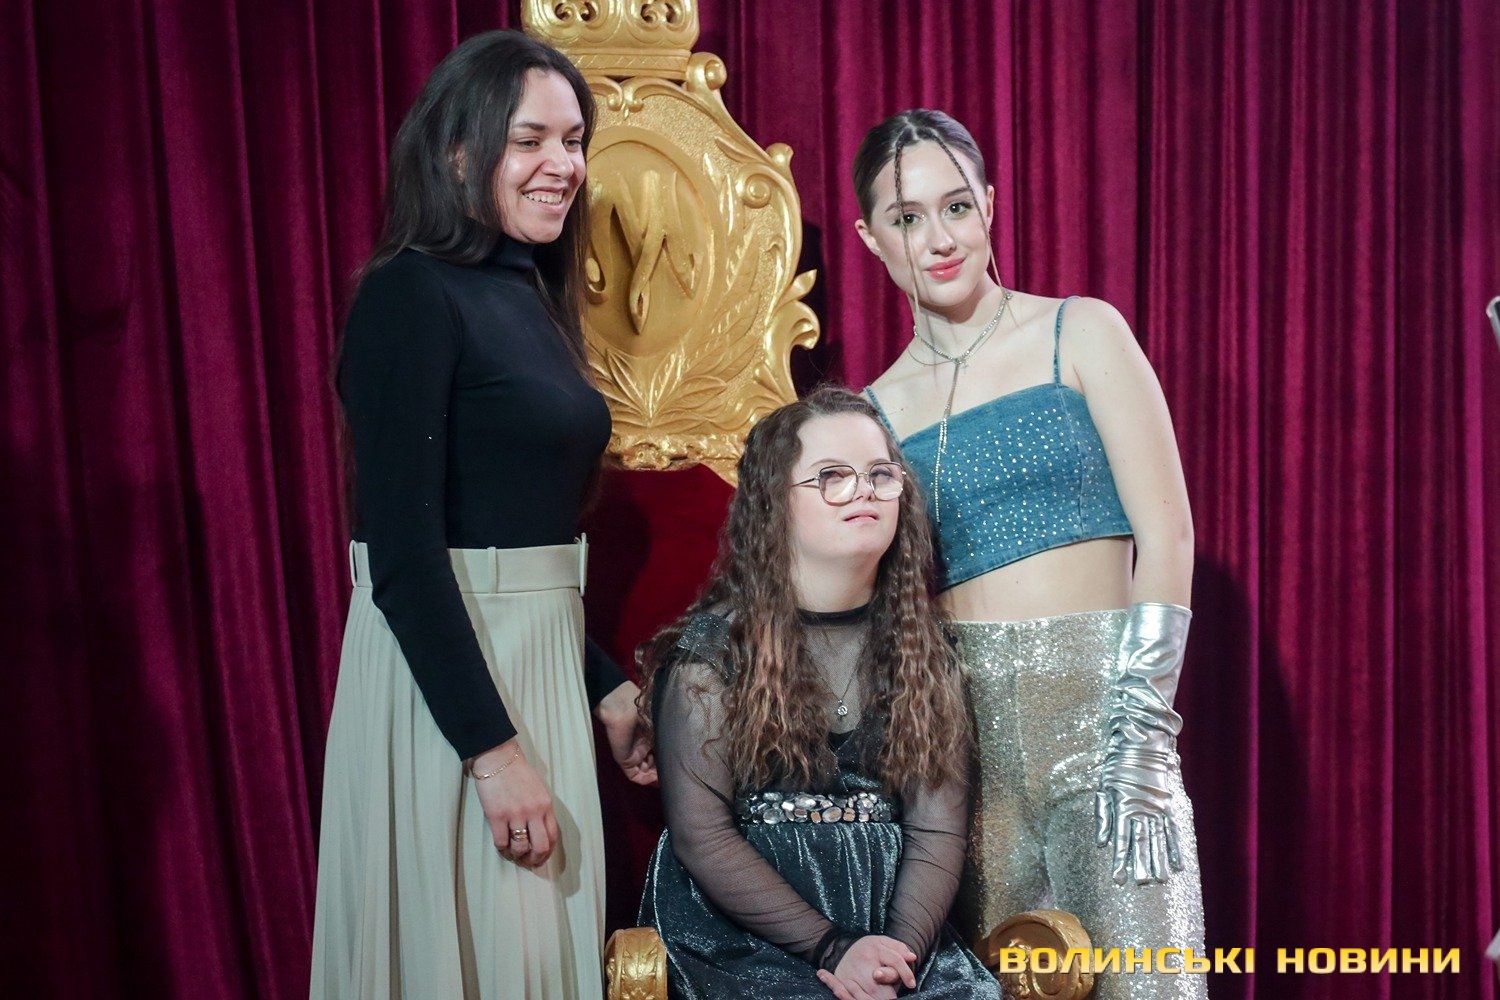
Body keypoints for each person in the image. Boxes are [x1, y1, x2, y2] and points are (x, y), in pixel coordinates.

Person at [309, 30, 656, 1000]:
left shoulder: (529, 294)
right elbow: (408, 556)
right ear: (459, 150)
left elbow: (513, 538)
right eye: (530, 140)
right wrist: (492, 755)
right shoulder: (408, 293)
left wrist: (603, 687)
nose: (562, 165)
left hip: (532, 666)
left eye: (574, 141)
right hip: (449, 697)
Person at [853, 110, 1207, 999]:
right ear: (870, 239)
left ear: (990, 206)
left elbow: (1169, 532)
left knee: (1147, 985)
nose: (939, 239)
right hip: (967, 759)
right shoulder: (874, 412)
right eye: (907, 218)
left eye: (956, 207)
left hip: (1107, 727)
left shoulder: (1080, 331)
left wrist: (1142, 731)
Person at [636, 386, 1002, 1000]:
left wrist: (895, 959)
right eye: (832, 476)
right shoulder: (712, 657)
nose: (864, 491)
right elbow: (703, 837)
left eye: (880, 474)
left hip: (896, 932)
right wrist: (833, 949)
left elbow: (938, 832)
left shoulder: (927, 652)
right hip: (746, 941)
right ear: (773, 502)